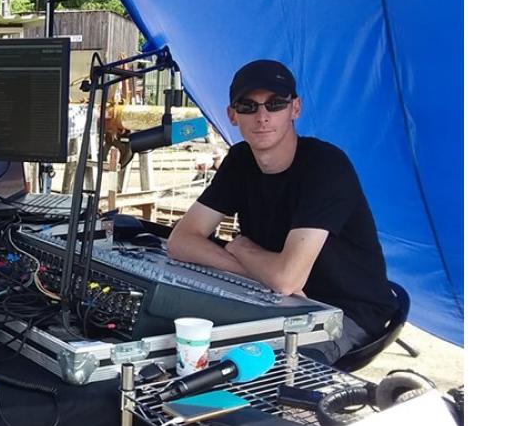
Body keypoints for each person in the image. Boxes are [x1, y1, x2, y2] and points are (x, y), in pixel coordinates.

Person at [167, 59, 398, 363]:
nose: (262, 116)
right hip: (273, 298)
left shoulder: (327, 166)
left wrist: (240, 247)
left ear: (295, 108)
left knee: (268, 375)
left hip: (342, 312)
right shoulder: (240, 161)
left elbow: (288, 278)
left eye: (275, 104)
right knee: (179, 343)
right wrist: (259, 273)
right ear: (232, 115)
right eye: (248, 106)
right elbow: (180, 241)